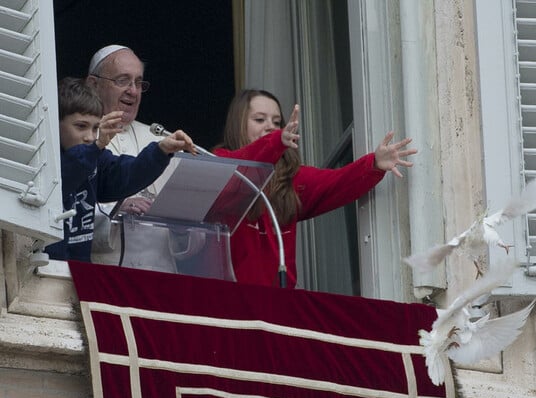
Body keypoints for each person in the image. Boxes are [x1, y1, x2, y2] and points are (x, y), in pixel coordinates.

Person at [212, 89, 417, 288]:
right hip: (230, 302)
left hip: (277, 307)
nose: (271, 127)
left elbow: (337, 182)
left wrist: (373, 164)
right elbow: (238, 168)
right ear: (238, 124)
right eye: (259, 120)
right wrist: (275, 142)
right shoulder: (220, 162)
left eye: (276, 122)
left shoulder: (291, 178)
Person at [44, 77, 196, 262]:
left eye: (95, 128)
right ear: (55, 124)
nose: (89, 137)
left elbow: (126, 175)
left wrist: (161, 151)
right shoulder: (43, 161)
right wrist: (97, 146)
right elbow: (65, 176)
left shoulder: (95, 158)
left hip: (78, 271)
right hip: (43, 270)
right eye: (81, 126)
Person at [85, 45, 176, 268]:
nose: (133, 91)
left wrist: (181, 229)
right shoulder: (78, 135)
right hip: (104, 276)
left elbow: (189, 234)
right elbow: (68, 211)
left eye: (138, 82)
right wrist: (118, 207)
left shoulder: (160, 139)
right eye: (122, 80)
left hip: (162, 277)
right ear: (93, 84)